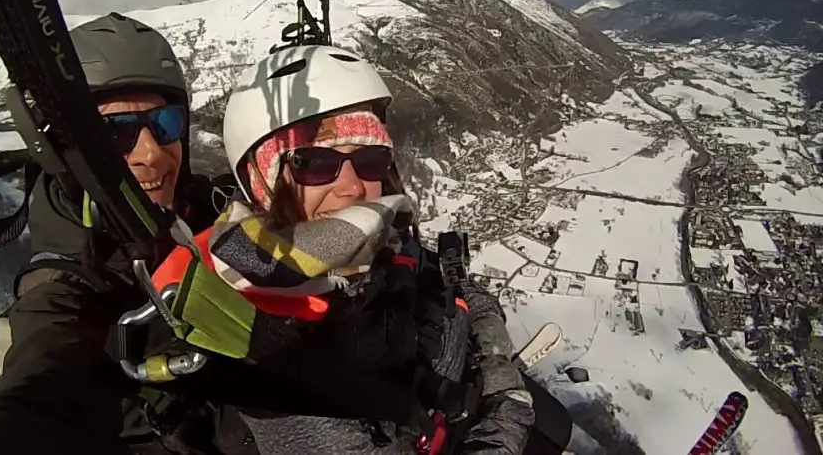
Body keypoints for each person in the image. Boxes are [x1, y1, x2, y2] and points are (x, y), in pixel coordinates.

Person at [149, 45, 536, 454]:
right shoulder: (264, 339)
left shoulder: (376, 240)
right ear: (261, 179)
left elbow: (450, 286)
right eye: (313, 163)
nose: (353, 187)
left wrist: (492, 353)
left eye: (370, 160)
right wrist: (507, 418)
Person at [0, 12, 241, 455]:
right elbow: (47, 375)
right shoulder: (69, 280)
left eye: (165, 123)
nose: (151, 152)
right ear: (70, 154)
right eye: (116, 132)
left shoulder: (194, 204)